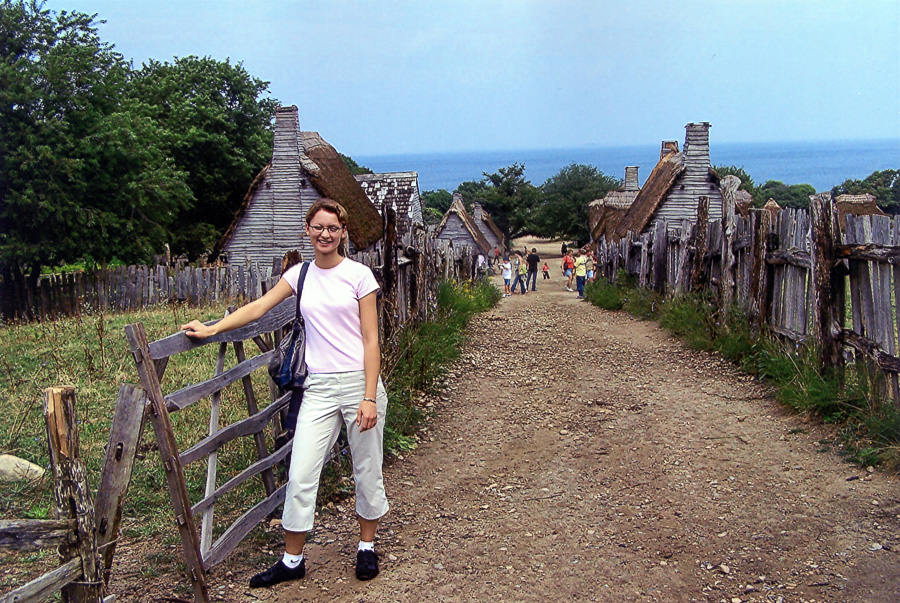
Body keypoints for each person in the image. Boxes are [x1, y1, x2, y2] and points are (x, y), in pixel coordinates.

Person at [181, 199, 388, 587]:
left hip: (360, 382)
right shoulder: (300, 274)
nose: (325, 234)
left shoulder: (359, 276)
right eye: (318, 227)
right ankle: (292, 559)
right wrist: (212, 329)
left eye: (332, 228)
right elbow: (258, 308)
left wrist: (370, 396)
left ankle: (366, 547)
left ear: (343, 232)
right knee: (301, 472)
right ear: (307, 231)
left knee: (367, 467)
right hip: (318, 387)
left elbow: (371, 339)